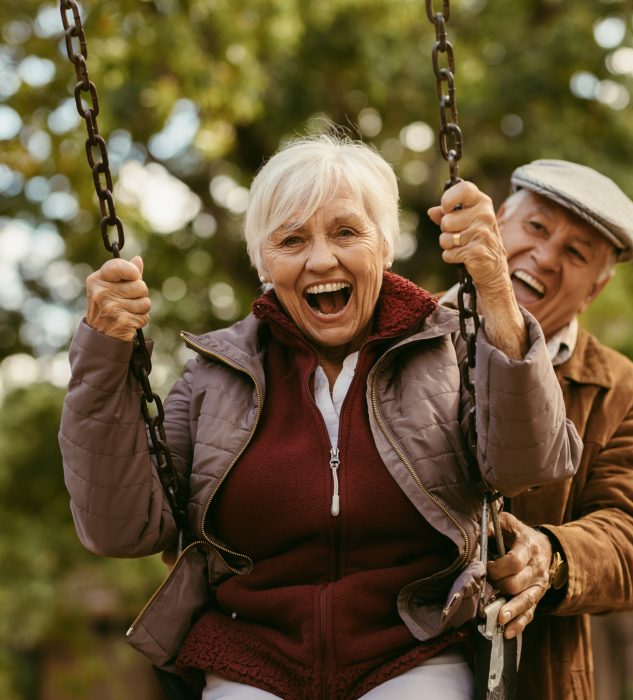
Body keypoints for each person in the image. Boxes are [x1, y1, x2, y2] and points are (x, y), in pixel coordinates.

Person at [59, 135, 582, 700]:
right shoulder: (214, 376)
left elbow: (529, 463)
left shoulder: (447, 348)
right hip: (250, 658)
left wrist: (496, 292)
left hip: (413, 651)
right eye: (291, 239)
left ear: (384, 246)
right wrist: (105, 355)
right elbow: (123, 529)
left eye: (346, 232)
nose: (321, 259)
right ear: (265, 261)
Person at [430, 160, 633, 699]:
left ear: (596, 290)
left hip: (534, 680)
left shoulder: (620, 391)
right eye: (536, 228)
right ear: (498, 223)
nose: (545, 256)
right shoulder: (398, 332)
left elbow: (631, 545)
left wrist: (551, 556)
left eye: (576, 253)